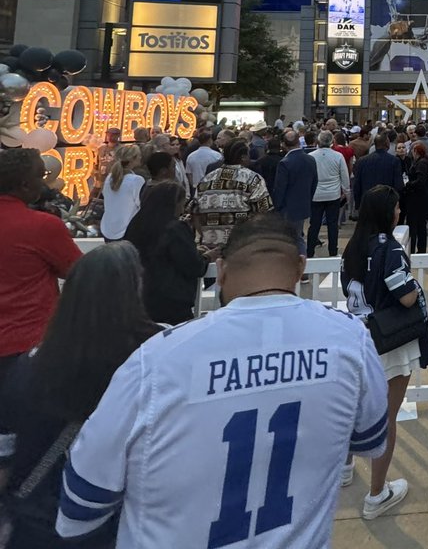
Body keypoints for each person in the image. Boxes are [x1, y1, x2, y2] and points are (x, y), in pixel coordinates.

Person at [54, 215, 390, 546]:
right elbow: (370, 441)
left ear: (222, 269)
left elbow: (81, 506)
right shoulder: (348, 339)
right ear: (300, 268)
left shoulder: (157, 360)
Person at [0, 243, 159, 548]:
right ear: (135, 292)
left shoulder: (29, 365)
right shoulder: (148, 365)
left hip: (34, 523)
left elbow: (4, 454)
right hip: (110, 524)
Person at [340, 186, 428, 518]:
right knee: (386, 416)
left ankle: (346, 466)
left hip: (358, 334)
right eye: (395, 208)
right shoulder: (390, 248)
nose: (398, 212)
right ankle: (377, 492)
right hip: (390, 340)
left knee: (353, 406)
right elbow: (405, 295)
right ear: (385, 212)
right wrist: (417, 287)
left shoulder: (352, 246)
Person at [0, 148, 81, 391]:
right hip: (28, 343)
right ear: (25, 184)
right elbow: (78, 270)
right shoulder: (42, 226)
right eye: (42, 175)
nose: (45, 182)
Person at [124, 181, 213, 325]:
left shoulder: (135, 225)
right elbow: (194, 266)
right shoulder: (175, 229)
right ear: (175, 203)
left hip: (140, 297)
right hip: (172, 301)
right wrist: (207, 257)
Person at [193, 140, 274, 252]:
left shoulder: (207, 179)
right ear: (243, 157)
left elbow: (194, 212)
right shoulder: (253, 179)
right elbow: (264, 213)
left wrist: (206, 235)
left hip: (211, 249)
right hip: (241, 247)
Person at [273, 129, 318, 252]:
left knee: (289, 239)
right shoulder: (310, 160)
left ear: (283, 144)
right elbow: (314, 182)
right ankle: (302, 261)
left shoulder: (285, 163)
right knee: (298, 236)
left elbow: (280, 188)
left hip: (287, 208)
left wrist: (276, 207)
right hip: (303, 205)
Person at [307, 130, 349, 257]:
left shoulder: (311, 156)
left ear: (318, 141)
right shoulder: (338, 156)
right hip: (333, 195)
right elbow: (344, 176)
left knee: (314, 224)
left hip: (316, 195)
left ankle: (310, 251)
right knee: (332, 224)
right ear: (332, 141)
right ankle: (333, 251)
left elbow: (309, 177)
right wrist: (346, 192)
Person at [99, 144, 144, 242]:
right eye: (139, 155)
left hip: (108, 228)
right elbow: (141, 204)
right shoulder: (136, 180)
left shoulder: (109, 178)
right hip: (128, 229)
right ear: (133, 159)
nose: (141, 157)